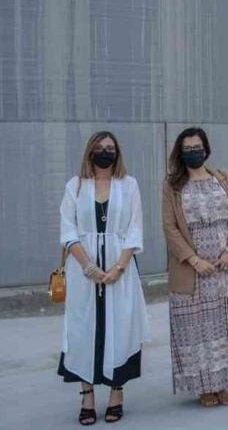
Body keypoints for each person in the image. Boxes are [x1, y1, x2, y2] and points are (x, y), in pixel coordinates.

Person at [58, 131, 150, 425]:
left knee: (120, 327)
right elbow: (68, 231)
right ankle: (87, 395)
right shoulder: (75, 185)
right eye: (99, 148)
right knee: (83, 329)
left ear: (117, 153)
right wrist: (89, 268)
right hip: (83, 271)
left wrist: (118, 268)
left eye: (110, 148)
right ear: (89, 152)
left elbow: (135, 229)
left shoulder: (129, 185)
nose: (105, 153)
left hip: (120, 269)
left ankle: (116, 393)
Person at [162, 127, 228, 407]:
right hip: (193, 269)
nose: (193, 152)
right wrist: (194, 259)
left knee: (226, 325)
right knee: (197, 327)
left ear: (206, 148)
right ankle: (204, 387)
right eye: (187, 149)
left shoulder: (222, 177)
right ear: (180, 152)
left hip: (226, 267)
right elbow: (170, 227)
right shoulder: (172, 185)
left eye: (197, 147)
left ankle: (223, 384)